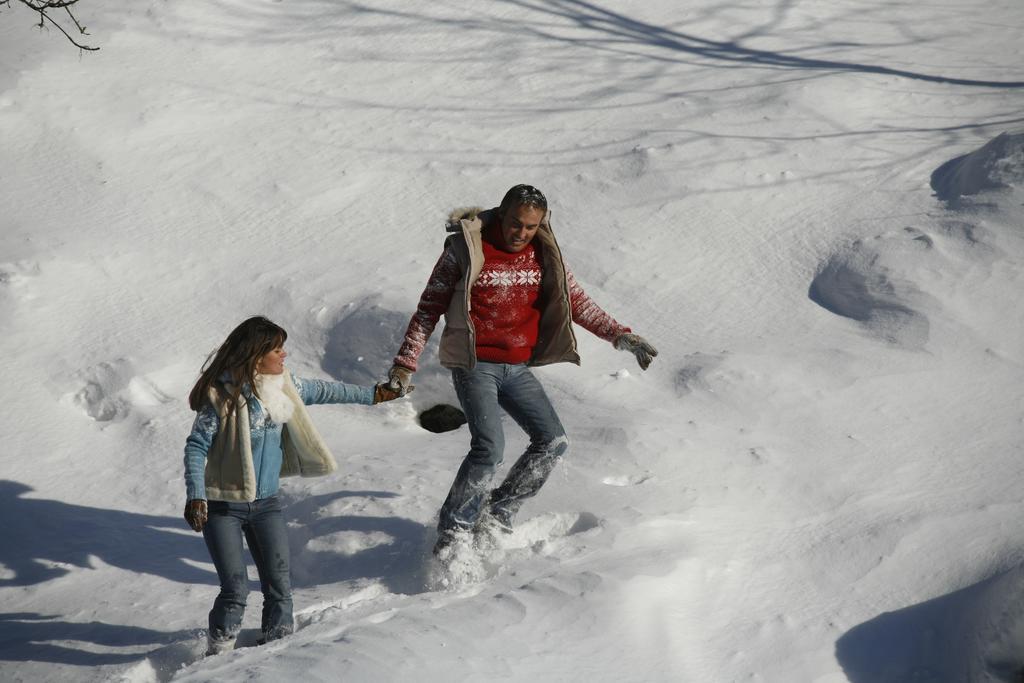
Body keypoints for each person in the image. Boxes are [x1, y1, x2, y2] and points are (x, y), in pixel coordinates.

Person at [386, 184, 657, 557]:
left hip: (516, 366)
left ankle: (498, 511)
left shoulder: (543, 251)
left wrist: (620, 336)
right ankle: (454, 531)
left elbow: (574, 299)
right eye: (516, 223)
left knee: (553, 441)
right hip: (475, 364)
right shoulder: (466, 249)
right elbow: (428, 308)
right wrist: (404, 365)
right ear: (502, 214)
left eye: (531, 226)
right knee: (489, 449)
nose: (522, 233)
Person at [182, 316, 403, 654]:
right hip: (222, 505)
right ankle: (218, 654)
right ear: (257, 356)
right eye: (277, 349)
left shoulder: (284, 386)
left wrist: (375, 395)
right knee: (235, 590)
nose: (284, 355)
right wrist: (196, 495)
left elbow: (329, 390)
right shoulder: (222, 396)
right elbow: (197, 446)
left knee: (279, 585)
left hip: (266, 504)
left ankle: (277, 650)